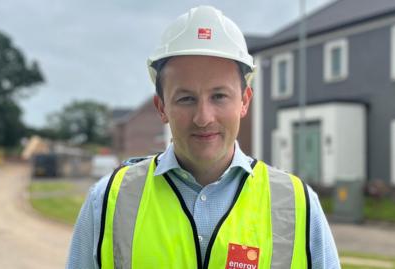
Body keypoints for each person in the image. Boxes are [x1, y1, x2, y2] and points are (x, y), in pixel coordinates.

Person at [66, 5, 340, 269]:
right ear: (162, 107)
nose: (204, 117)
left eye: (219, 96)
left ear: (244, 101)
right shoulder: (107, 201)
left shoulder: (297, 205)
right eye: (186, 99)